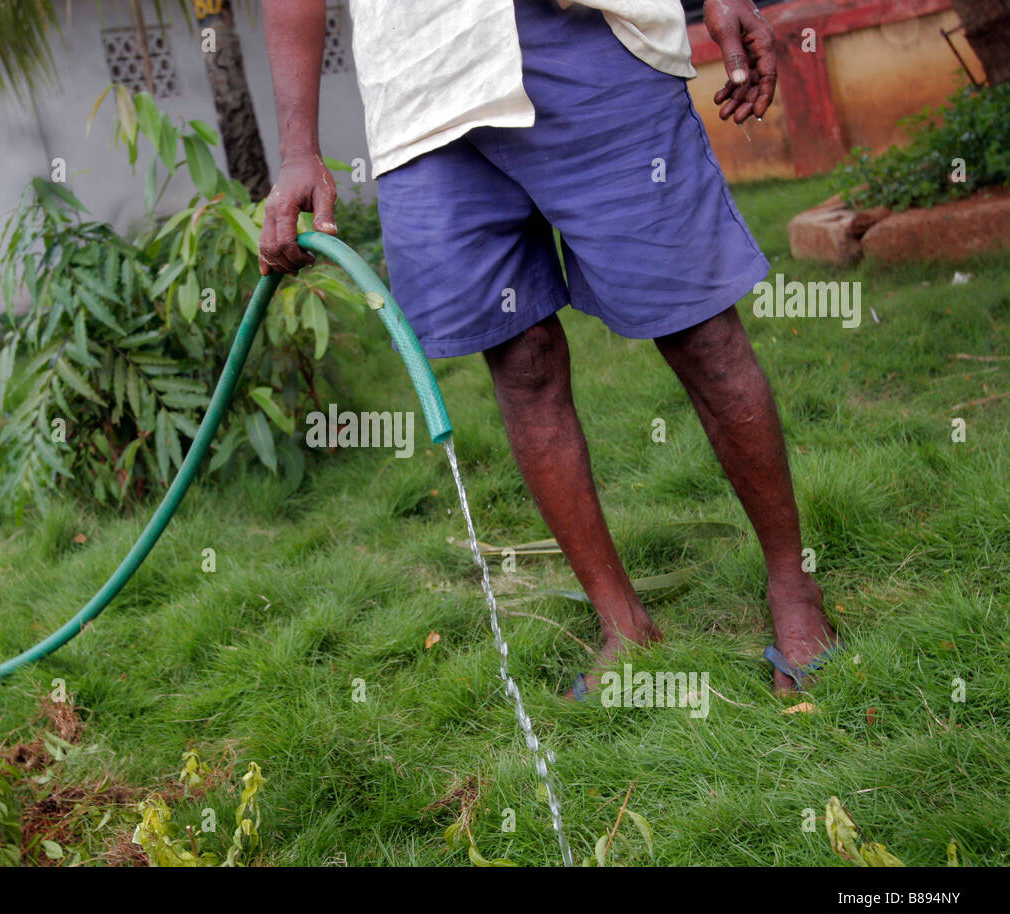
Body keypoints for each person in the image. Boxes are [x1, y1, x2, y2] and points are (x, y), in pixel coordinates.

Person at [257, 0, 837, 697]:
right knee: (519, 356)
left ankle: (791, 584)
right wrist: (298, 149)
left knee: (698, 328)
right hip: (419, 88)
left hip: (584, 37)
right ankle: (623, 625)